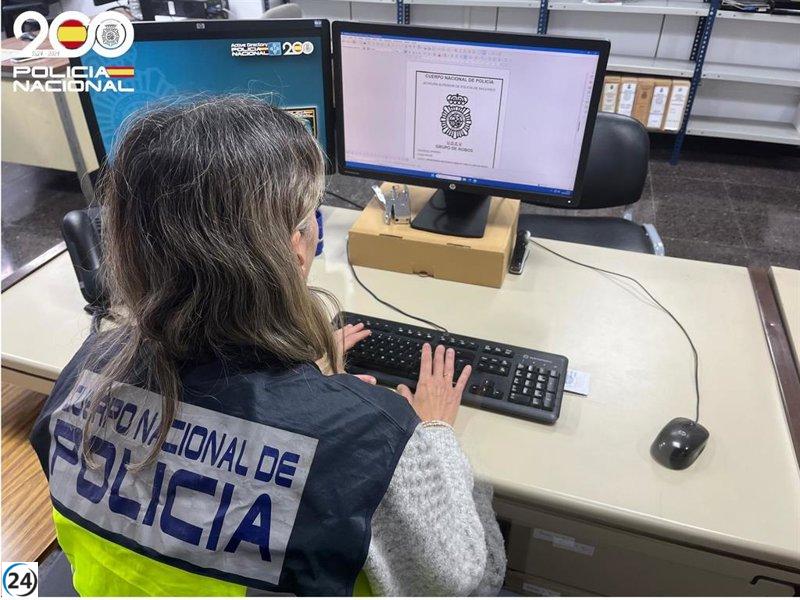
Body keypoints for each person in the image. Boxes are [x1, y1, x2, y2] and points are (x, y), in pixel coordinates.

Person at [30, 95, 506, 596]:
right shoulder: (379, 444)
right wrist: (434, 440)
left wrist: (305, 388)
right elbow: (468, 582)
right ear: (296, 247)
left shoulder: (85, 371)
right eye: (311, 216)